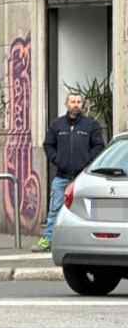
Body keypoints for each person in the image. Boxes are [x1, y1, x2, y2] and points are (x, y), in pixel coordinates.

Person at [38, 93, 104, 252]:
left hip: (83, 178)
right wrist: (57, 159)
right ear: (66, 104)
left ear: (82, 104)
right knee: (55, 209)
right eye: (73, 101)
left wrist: (88, 161)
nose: (76, 104)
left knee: (87, 209)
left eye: (79, 102)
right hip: (62, 176)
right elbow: (48, 145)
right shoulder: (57, 125)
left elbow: (99, 146)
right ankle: (48, 239)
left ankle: (89, 242)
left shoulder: (91, 125)